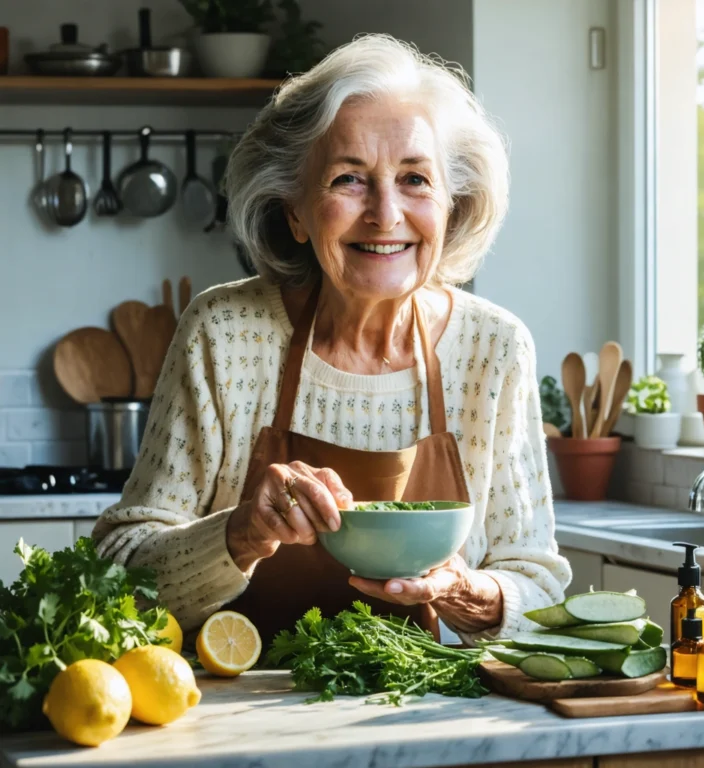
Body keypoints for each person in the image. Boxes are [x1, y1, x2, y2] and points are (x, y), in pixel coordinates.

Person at [92, 34, 571, 648]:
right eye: (350, 179)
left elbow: (541, 589)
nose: (385, 214)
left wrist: (461, 590)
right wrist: (237, 535)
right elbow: (117, 573)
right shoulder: (224, 334)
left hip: (433, 717)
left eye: (415, 179)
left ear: (451, 206)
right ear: (295, 211)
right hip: (239, 714)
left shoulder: (495, 349)